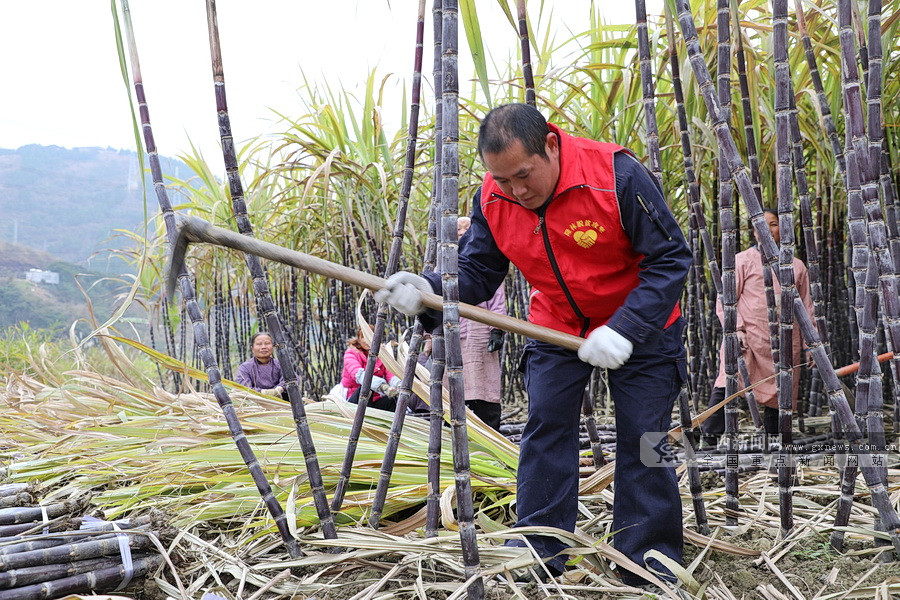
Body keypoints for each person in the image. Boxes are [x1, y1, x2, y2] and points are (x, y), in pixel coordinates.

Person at [375, 103, 690, 585]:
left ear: (550, 145)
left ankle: (648, 554)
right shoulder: (494, 198)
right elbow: (478, 271)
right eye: (503, 181)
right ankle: (540, 543)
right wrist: (426, 291)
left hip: (641, 322)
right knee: (545, 424)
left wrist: (624, 327)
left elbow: (670, 258)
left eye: (524, 176)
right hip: (557, 323)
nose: (517, 192)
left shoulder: (615, 176)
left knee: (645, 436)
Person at [701, 209, 815, 443]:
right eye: (762, 225)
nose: (768, 229)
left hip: (784, 340)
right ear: (754, 231)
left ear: (782, 229)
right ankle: (708, 438)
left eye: (774, 224)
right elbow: (726, 300)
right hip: (748, 339)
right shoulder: (741, 261)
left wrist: (809, 343)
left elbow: (806, 306)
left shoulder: (796, 266)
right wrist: (737, 329)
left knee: (780, 392)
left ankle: (775, 443)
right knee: (728, 383)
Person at [455, 216, 507, 431]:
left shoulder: (485, 261)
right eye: (457, 229)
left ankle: (489, 430)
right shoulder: (445, 261)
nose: (461, 232)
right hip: (454, 333)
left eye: (466, 228)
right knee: (456, 385)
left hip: (481, 331)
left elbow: (498, 298)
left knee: (484, 382)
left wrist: (497, 329)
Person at [341, 326, 403, 412]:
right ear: (358, 339)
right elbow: (360, 376)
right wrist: (383, 386)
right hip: (353, 401)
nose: (366, 340)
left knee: (392, 401)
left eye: (370, 336)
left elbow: (390, 374)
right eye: (363, 337)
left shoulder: (381, 355)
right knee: (366, 387)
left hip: (375, 400)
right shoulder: (351, 354)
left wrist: (399, 385)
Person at [236, 332, 286, 397]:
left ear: (273, 346)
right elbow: (244, 388)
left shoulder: (280, 364)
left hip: (282, 402)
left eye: (267, 343)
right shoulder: (245, 368)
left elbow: (292, 379)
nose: (263, 347)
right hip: (255, 403)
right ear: (252, 348)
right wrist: (263, 392)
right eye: (259, 344)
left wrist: (280, 388)